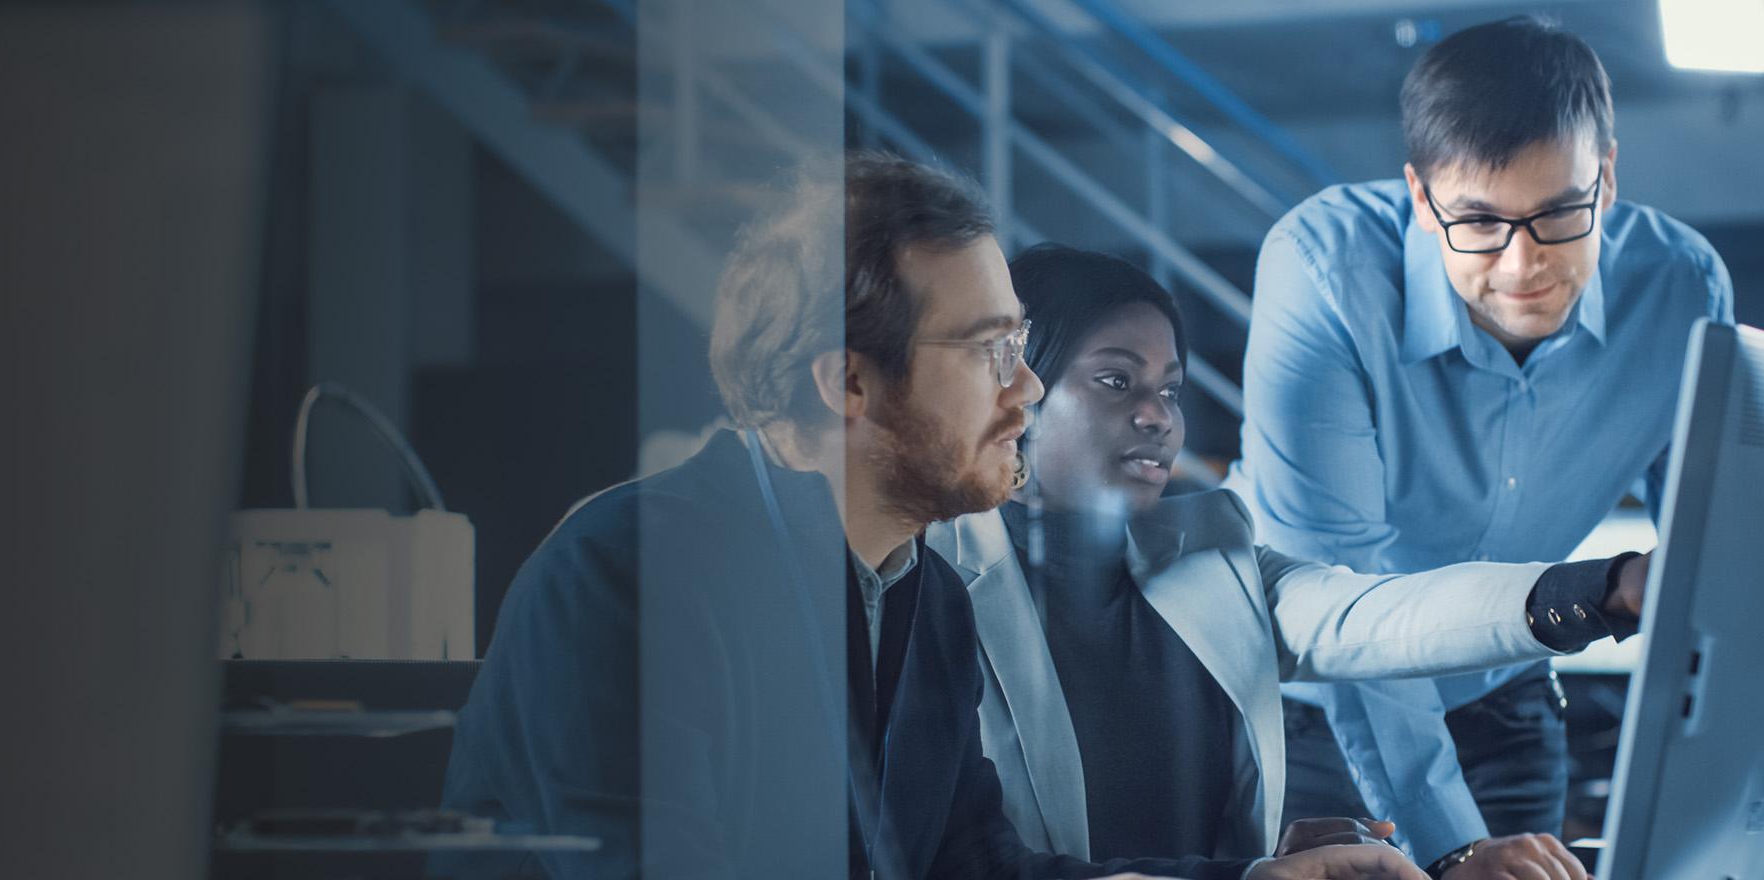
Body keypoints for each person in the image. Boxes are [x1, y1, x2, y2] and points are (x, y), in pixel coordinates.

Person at [439, 153, 1428, 880]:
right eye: (991, 351)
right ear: (849, 383)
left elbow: (981, 870)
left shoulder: (927, 593)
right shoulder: (631, 573)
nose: (1030, 388)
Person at [929, 244, 1640, 880]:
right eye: (1117, 381)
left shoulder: (1212, 545)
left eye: (1170, 389)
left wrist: (1603, 590)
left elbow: (1374, 616)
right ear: (1019, 389)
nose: (1159, 416)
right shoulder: (927, 579)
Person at [1219, 16, 1736, 877]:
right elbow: (1343, 606)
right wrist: (1451, 847)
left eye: (1558, 212)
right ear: (1422, 198)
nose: (1521, 261)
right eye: (1479, 222)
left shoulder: (1682, 286)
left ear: (1605, 178)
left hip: (1507, 683)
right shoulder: (1323, 271)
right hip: (1311, 704)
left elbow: (1706, 557)